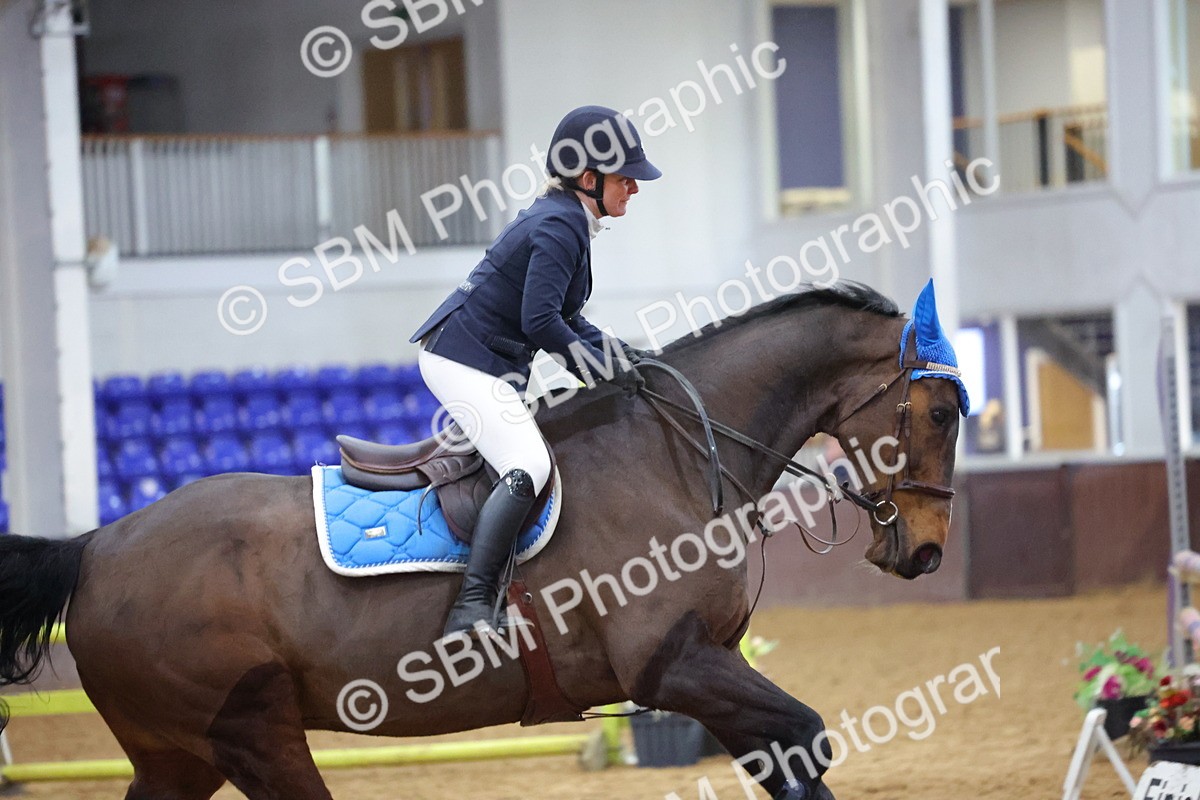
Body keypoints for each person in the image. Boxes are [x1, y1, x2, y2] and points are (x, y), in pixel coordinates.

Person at [409, 105, 661, 639]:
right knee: (528, 464)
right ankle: (472, 605)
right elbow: (540, 321)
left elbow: (565, 317)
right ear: (588, 179)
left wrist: (623, 357)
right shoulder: (558, 224)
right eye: (625, 178)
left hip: (484, 358)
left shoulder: (567, 217)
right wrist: (598, 372)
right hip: (461, 359)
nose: (635, 188)